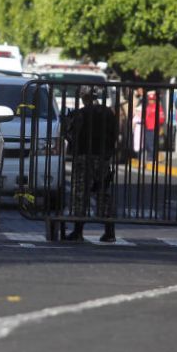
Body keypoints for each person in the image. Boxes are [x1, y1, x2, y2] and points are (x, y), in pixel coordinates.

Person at [63, 85, 118, 243]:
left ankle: (78, 231)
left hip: (83, 157)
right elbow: (114, 134)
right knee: (103, 192)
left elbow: (72, 135)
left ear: (84, 97)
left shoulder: (80, 114)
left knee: (80, 193)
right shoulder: (108, 113)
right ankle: (109, 231)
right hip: (102, 157)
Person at [143, 91, 165, 161]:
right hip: (147, 128)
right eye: (149, 100)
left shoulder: (158, 107)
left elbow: (162, 118)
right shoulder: (148, 107)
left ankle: (152, 158)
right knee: (148, 143)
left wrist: (159, 126)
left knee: (151, 144)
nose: (150, 101)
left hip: (154, 128)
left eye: (152, 100)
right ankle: (150, 157)